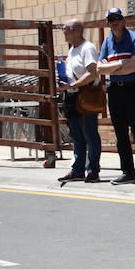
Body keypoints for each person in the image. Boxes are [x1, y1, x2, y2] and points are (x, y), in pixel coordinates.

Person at [97, 7, 135, 185]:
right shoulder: (107, 42)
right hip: (114, 89)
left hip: (132, 88)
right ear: (107, 23)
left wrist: (112, 66)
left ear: (123, 20)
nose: (114, 22)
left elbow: (134, 66)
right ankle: (128, 172)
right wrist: (122, 64)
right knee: (120, 132)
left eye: (117, 18)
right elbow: (99, 68)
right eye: (111, 20)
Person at [55, 19, 101, 183]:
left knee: (89, 133)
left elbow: (92, 73)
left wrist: (73, 84)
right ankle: (78, 169)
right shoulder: (73, 49)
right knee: (76, 134)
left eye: (65, 29)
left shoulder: (87, 48)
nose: (63, 32)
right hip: (72, 96)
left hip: (84, 96)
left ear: (74, 30)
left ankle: (93, 170)